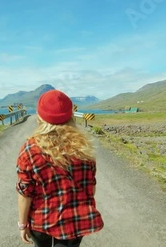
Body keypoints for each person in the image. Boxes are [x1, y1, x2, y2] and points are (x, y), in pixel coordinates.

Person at [16, 89, 103, 247]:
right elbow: (91, 188)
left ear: (40, 116)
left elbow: (25, 194)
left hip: (41, 221)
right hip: (75, 221)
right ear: (70, 116)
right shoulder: (84, 149)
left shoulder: (30, 150)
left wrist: (22, 224)